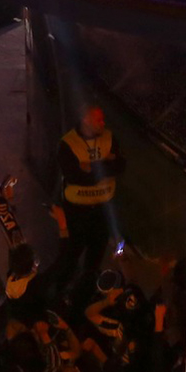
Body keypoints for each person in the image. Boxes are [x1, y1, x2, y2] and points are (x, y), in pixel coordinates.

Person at [57, 105, 124, 297]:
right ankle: (60, 290)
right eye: (98, 120)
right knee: (71, 253)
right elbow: (74, 177)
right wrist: (104, 167)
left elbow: (120, 165)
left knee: (96, 254)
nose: (103, 124)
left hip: (102, 210)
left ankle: (84, 292)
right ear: (85, 120)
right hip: (77, 211)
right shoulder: (68, 144)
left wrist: (91, 168)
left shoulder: (109, 138)